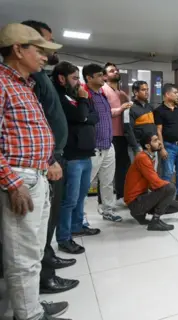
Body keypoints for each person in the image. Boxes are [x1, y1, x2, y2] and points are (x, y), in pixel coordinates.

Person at [0, 23, 69, 320]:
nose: (44, 58)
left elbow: (31, 132)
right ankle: (28, 316)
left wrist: (48, 160)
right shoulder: (2, 83)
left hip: (37, 175)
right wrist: (13, 182)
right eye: (39, 51)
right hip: (19, 179)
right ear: (18, 49)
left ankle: (32, 306)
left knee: (35, 249)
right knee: (23, 256)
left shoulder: (24, 84)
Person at [20, 19, 80, 296]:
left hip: (51, 160)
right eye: (42, 45)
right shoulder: (23, 81)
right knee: (35, 232)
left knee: (48, 221)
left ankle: (48, 263)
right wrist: (51, 158)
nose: (46, 53)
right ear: (21, 48)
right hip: (38, 166)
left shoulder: (38, 78)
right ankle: (44, 279)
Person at [53, 61, 101, 254]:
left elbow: (94, 116)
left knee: (81, 197)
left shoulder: (78, 96)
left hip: (86, 154)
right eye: (75, 78)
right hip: (72, 157)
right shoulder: (61, 98)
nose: (78, 83)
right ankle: (64, 238)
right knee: (69, 200)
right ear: (62, 78)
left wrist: (84, 112)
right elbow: (81, 116)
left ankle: (77, 226)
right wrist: (83, 107)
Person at [83, 63, 123, 222]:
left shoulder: (101, 94)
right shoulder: (85, 94)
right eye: (99, 75)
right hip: (93, 148)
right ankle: (80, 218)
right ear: (89, 77)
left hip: (108, 144)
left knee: (107, 182)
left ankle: (108, 210)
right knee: (84, 185)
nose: (103, 78)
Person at [124, 134, 178, 231]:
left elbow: (152, 184)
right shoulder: (142, 158)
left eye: (158, 140)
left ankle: (139, 214)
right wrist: (167, 190)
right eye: (155, 140)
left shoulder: (149, 157)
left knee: (176, 206)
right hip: (135, 202)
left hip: (141, 198)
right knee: (170, 188)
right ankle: (155, 221)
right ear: (147, 146)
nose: (159, 142)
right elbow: (155, 182)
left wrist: (163, 194)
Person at [154, 83, 178, 204]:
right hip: (168, 146)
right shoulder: (159, 111)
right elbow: (158, 130)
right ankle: (166, 197)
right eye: (175, 93)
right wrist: (162, 148)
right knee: (168, 173)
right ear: (167, 94)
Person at [102, 62, 132, 202]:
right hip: (109, 136)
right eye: (111, 71)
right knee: (106, 171)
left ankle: (121, 195)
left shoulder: (121, 93)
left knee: (123, 167)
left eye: (117, 70)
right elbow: (103, 112)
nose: (116, 72)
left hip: (122, 136)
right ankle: (103, 202)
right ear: (104, 76)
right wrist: (120, 109)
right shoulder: (102, 91)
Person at [124, 80, 157, 162]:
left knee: (151, 172)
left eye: (147, 89)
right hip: (138, 147)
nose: (146, 92)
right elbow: (128, 130)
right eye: (143, 90)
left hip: (151, 146)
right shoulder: (129, 108)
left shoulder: (150, 107)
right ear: (135, 92)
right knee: (138, 173)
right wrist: (136, 147)